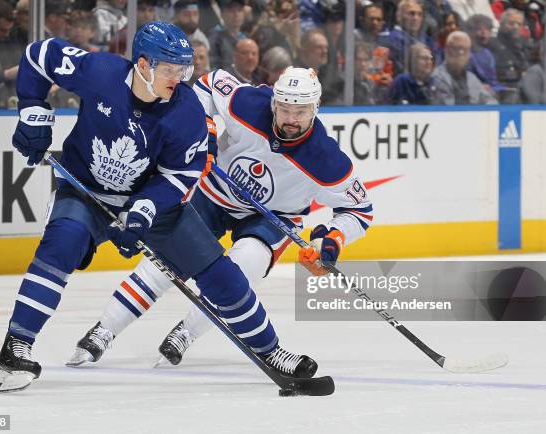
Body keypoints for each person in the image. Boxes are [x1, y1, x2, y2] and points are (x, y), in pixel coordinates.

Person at [0, 22, 316, 393]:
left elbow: (181, 175)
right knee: (61, 246)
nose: (178, 78)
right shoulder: (99, 73)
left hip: (153, 204)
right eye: (170, 70)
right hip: (86, 193)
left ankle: (271, 351)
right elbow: (39, 56)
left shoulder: (187, 111)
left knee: (221, 274)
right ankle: (15, 348)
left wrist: (145, 208)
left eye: (183, 70)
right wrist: (33, 109)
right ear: (143, 65)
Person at [66, 66, 372, 368]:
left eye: (301, 112)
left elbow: (360, 211)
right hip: (214, 194)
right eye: (284, 109)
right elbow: (209, 84)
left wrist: (330, 241)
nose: (291, 119)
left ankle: (186, 332)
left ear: (315, 109)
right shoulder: (249, 105)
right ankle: (104, 329)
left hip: (272, 218)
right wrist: (207, 129)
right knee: (162, 263)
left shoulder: (326, 159)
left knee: (242, 267)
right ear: (273, 102)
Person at [430, 30, 497, 105]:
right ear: (447, 50)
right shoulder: (436, 77)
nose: (461, 53)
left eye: (465, 49)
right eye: (457, 48)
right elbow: (447, 109)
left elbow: (490, 102)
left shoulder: (472, 78)